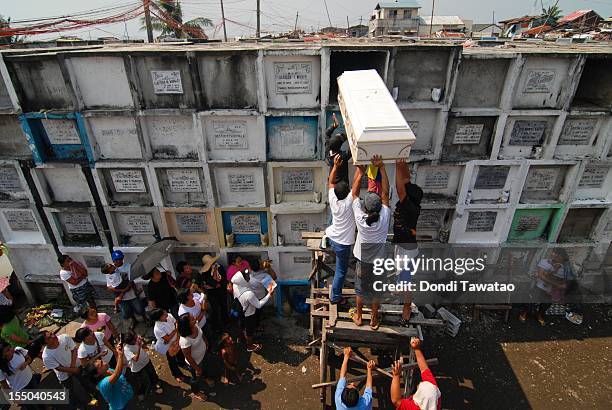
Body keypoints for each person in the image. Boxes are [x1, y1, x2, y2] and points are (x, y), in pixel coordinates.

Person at [350, 156, 391, 330]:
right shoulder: (384, 217)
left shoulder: (360, 218)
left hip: (362, 260)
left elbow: (354, 194)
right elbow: (386, 194)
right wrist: (381, 167)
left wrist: (360, 171)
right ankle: (374, 319)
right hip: (379, 262)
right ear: (380, 207)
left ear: (365, 208)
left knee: (360, 289)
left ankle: (359, 316)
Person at [393, 158, 423, 326]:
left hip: (407, 249)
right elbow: (405, 182)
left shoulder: (410, 208)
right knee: (402, 277)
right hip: (404, 246)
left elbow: (399, 188)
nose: (405, 186)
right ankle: (400, 290)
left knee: (406, 281)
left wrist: (397, 166)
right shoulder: (413, 201)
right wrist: (402, 162)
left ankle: (406, 307)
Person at [519, 248, 581, 326]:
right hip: (540, 287)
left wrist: (559, 283)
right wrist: (554, 276)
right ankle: (524, 313)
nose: (554, 258)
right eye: (553, 255)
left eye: (557, 256)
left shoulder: (565, 267)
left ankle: (539, 315)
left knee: (546, 304)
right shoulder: (545, 262)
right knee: (531, 301)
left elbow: (565, 279)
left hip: (552, 290)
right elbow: (541, 275)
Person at [325, 154, 356, 305]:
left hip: (333, 238)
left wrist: (335, 166)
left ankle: (324, 242)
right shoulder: (350, 203)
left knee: (329, 229)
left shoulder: (333, 199)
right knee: (341, 271)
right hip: (343, 244)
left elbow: (331, 182)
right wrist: (360, 170)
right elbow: (355, 187)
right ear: (348, 193)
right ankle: (335, 297)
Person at [40, 331, 92, 408]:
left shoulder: (64, 337)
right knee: (69, 391)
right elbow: (58, 368)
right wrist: (71, 370)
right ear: (45, 343)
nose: (53, 336)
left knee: (84, 380)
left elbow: (74, 350)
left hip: (76, 366)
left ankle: (91, 394)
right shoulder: (46, 356)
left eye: (51, 333)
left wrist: (72, 367)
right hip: (64, 374)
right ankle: (76, 405)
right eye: (49, 338)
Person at [391, 337, 441, 410]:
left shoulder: (413, 408)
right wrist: (417, 349)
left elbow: (396, 401)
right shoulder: (433, 393)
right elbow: (424, 369)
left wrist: (396, 376)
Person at [230, 270, 274, 352]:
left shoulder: (235, 285)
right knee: (249, 330)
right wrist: (269, 295)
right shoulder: (249, 294)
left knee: (241, 325)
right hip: (248, 314)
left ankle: (240, 338)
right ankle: (249, 346)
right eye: (246, 278)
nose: (249, 278)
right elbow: (258, 305)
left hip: (240, 310)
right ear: (242, 280)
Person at [82, 342, 134, 410]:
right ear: (97, 374)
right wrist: (120, 355)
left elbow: (117, 370)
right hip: (121, 407)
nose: (104, 363)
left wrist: (118, 353)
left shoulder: (107, 370)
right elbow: (117, 374)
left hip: (127, 397)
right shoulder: (103, 384)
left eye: (101, 361)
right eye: (101, 365)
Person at [178, 313, 214, 402]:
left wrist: (206, 343)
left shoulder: (195, 325)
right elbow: (188, 357)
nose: (194, 318)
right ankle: (196, 392)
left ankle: (205, 377)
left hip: (203, 355)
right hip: (195, 362)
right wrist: (197, 368)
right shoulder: (185, 341)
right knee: (195, 379)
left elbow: (201, 335)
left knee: (205, 368)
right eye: (191, 318)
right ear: (187, 324)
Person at [150, 308, 188, 384]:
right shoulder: (158, 329)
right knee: (172, 360)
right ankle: (176, 374)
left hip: (176, 339)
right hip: (167, 346)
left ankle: (182, 363)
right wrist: (176, 330)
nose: (166, 313)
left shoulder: (169, 316)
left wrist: (177, 338)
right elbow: (167, 339)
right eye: (163, 314)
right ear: (159, 318)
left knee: (179, 352)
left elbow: (176, 322)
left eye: (164, 312)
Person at [102, 262, 144, 331]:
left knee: (139, 309)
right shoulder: (111, 275)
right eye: (111, 266)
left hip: (131, 294)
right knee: (127, 312)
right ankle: (133, 320)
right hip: (121, 295)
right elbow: (110, 286)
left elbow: (129, 281)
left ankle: (145, 318)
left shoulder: (127, 267)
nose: (113, 265)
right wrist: (122, 291)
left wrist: (123, 290)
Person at [122, 330, 160, 399]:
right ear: (131, 342)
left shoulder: (136, 339)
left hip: (145, 360)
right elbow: (135, 359)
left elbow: (142, 345)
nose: (137, 338)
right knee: (140, 381)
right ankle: (141, 392)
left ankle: (156, 382)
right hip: (137, 367)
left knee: (152, 373)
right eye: (135, 338)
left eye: (136, 336)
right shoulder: (126, 349)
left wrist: (147, 347)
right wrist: (139, 347)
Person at [200, 255, 228, 330]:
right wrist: (215, 285)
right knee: (215, 310)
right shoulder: (205, 272)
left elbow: (223, 279)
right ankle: (216, 326)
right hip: (212, 294)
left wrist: (216, 285)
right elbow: (206, 281)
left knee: (224, 306)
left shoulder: (220, 267)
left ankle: (225, 321)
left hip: (222, 291)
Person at [325, 113, 351, 185]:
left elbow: (327, 134)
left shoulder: (328, 149)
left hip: (333, 182)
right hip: (342, 186)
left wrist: (334, 125)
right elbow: (352, 149)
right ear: (340, 145)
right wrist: (350, 130)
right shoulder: (341, 157)